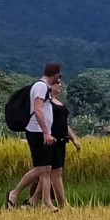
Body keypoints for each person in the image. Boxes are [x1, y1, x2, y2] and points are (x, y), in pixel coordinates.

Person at [6, 62, 62, 210]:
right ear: (56, 74)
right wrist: (45, 133)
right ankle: (14, 193)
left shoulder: (43, 87)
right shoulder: (41, 86)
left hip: (42, 132)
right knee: (40, 168)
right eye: (59, 76)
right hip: (37, 132)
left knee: (47, 168)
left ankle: (48, 203)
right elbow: (38, 110)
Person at [25, 80, 81, 207]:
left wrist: (74, 139)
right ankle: (62, 203)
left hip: (61, 141)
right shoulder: (47, 104)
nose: (60, 85)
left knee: (52, 172)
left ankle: (34, 200)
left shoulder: (58, 103)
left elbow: (64, 124)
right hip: (52, 140)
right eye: (57, 83)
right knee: (51, 172)